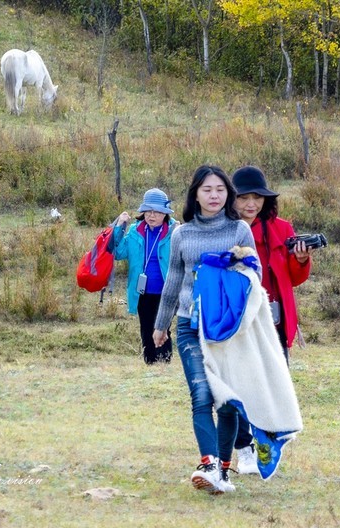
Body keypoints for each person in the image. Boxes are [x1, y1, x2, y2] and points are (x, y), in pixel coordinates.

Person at [152, 165, 258, 495]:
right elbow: (173, 280)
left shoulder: (240, 230)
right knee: (201, 395)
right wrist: (161, 325)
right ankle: (209, 463)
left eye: (220, 190)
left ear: (228, 194)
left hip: (228, 329)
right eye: (207, 189)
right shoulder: (181, 234)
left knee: (226, 402)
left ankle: (222, 471)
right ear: (195, 194)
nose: (214, 195)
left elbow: (254, 278)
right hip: (189, 325)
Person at [230, 165, 315, 475]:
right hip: (237, 321)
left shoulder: (282, 228)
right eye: (244, 198)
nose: (251, 204)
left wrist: (301, 260)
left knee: (272, 386)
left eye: (257, 197)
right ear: (232, 199)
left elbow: (293, 278)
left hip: (274, 321)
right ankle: (244, 450)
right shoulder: (225, 229)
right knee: (239, 388)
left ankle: (265, 446)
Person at [110, 188, 177, 364]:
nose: (152, 215)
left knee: (162, 329)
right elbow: (118, 252)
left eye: (157, 212)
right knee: (147, 330)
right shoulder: (135, 231)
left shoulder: (174, 232)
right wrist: (119, 227)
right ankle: (150, 366)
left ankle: (164, 365)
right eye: (148, 211)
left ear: (165, 213)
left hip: (167, 292)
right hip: (142, 292)